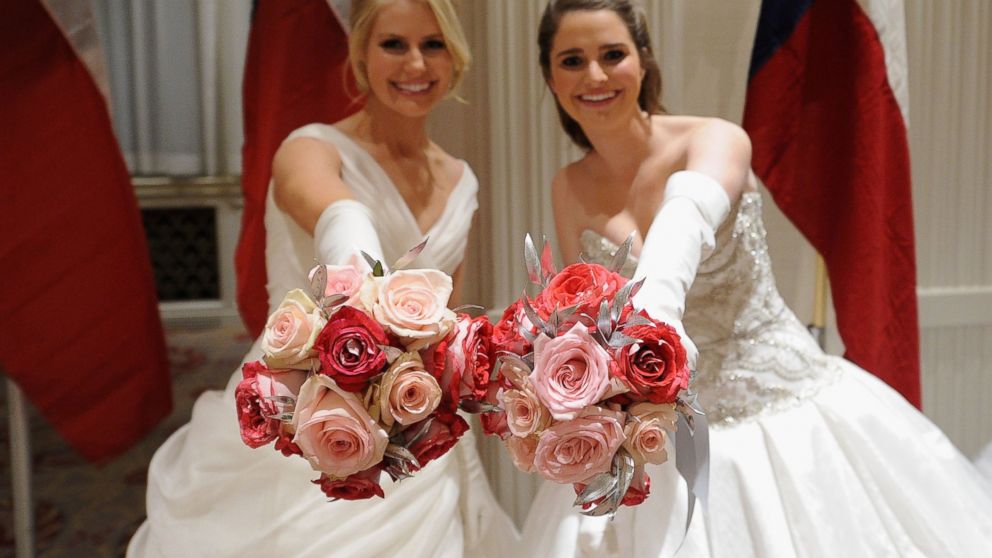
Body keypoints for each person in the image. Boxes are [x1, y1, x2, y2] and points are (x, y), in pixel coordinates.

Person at [520, 1, 992, 556]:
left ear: (643, 62)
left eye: (612, 55)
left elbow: (687, 219)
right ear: (550, 77)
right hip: (662, 432)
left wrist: (651, 322)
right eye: (572, 60)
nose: (594, 76)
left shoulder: (716, 139)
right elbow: (584, 314)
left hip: (781, 409)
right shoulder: (568, 186)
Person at [127, 1, 518, 556]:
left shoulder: (462, 181)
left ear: (455, 58)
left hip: (412, 421)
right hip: (303, 411)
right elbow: (340, 218)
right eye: (394, 45)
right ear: (360, 55)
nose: (415, 64)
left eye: (433, 45)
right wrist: (370, 305)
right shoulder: (309, 150)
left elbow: (450, 317)